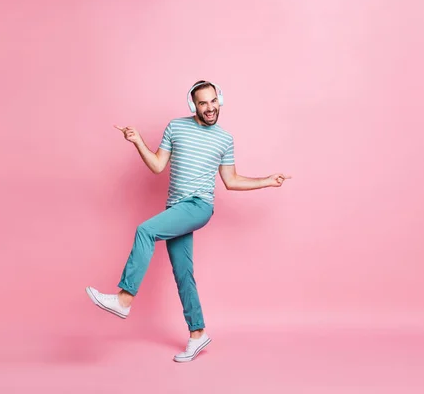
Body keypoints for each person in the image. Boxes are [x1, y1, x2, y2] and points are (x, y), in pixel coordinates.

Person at [86, 80, 291, 362]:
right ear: (193, 105)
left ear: (220, 100)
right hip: (175, 208)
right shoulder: (176, 127)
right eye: (203, 103)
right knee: (183, 274)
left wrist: (267, 181)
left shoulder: (225, 139)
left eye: (213, 101)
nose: (209, 108)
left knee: (145, 230)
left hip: (198, 206)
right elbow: (158, 166)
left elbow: (230, 180)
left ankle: (124, 299)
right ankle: (198, 333)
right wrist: (137, 142)